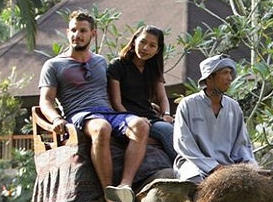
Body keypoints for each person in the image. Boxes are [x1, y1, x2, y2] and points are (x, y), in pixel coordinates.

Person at [38, 10, 151, 202]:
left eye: (83, 31)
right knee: (101, 128)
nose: (77, 35)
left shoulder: (100, 61)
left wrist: (146, 108)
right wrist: (55, 119)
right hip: (79, 114)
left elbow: (116, 94)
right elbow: (45, 100)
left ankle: (124, 185)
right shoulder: (53, 65)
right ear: (67, 32)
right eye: (73, 30)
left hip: (107, 112)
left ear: (93, 34)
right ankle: (109, 195)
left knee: (140, 124)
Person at [173, 54, 255, 183]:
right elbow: (184, 143)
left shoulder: (234, 107)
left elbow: (242, 145)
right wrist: (213, 167)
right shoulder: (188, 104)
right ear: (209, 78)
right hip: (193, 163)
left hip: (227, 166)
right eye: (225, 73)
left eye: (230, 73)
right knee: (194, 180)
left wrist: (251, 166)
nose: (230, 78)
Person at [108, 25, 176, 162]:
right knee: (168, 131)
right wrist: (134, 120)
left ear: (157, 50)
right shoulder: (118, 65)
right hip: (127, 119)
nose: (145, 48)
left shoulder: (153, 68)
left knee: (183, 130)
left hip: (150, 118)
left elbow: (162, 97)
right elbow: (116, 102)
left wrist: (166, 114)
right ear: (134, 41)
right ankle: (187, 167)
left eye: (152, 45)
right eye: (143, 42)